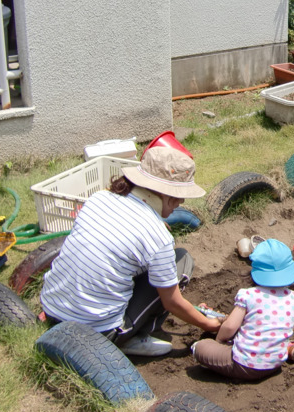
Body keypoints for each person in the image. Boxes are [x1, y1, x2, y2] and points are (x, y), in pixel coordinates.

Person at [40, 147, 222, 357]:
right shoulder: (157, 236)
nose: (181, 203)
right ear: (167, 194)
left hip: (52, 308)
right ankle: (137, 335)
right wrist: (209, 325)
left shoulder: (99, 198)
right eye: (180, 196)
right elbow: (172, 302)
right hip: (96, 332)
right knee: (182, 260)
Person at [191, 238, 294, 380]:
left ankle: (220, 351)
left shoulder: (248, 295)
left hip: (243, 365)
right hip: (275, 364)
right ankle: (289, 348)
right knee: (266, 332)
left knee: (200, 346)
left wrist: (219, 341)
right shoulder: (292, 297)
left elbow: (229, 327)